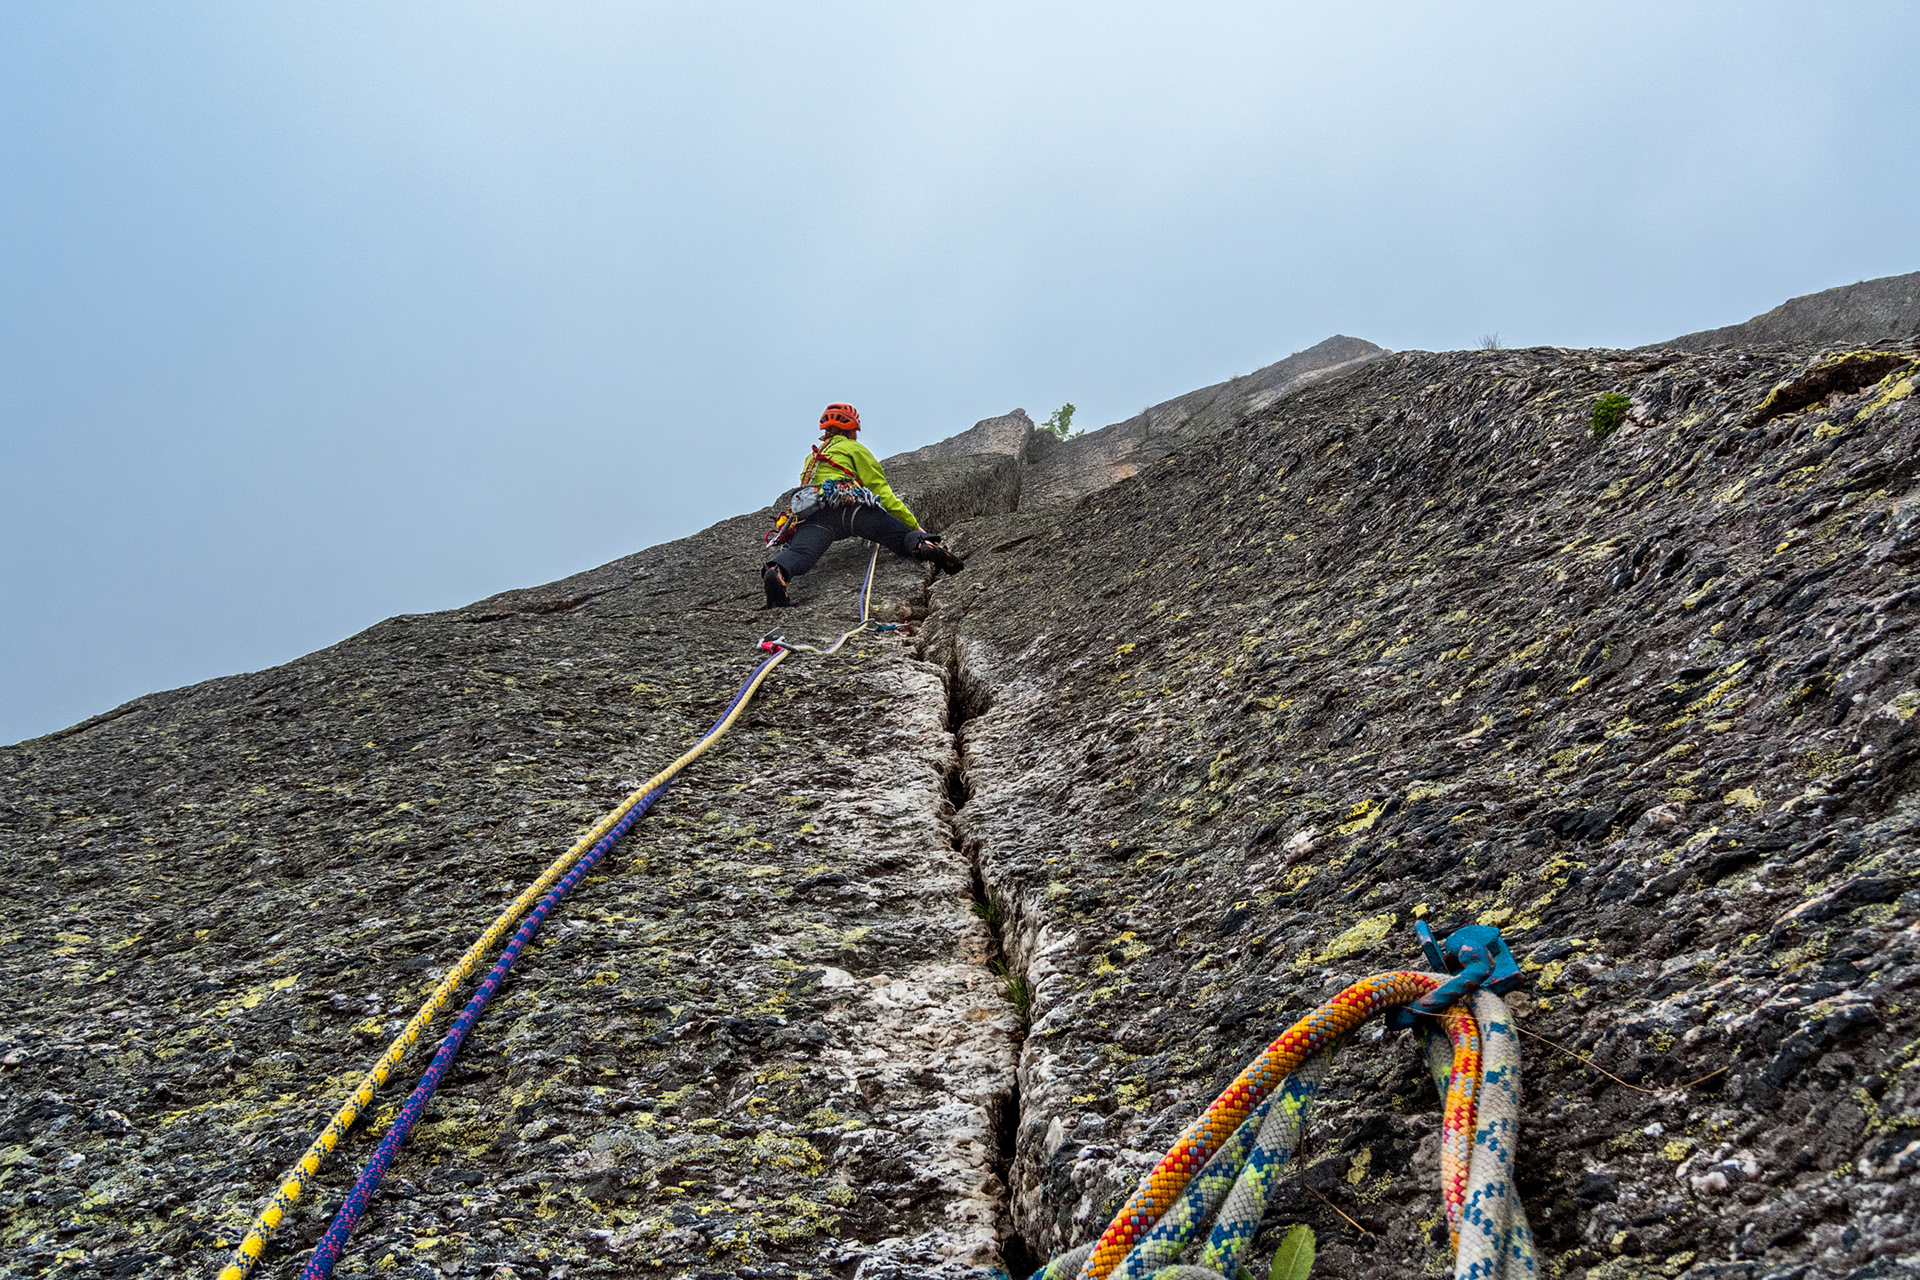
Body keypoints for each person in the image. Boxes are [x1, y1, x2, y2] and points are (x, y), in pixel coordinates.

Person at [763, 403, 964, 608]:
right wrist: (915, 527)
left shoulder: (811, 459)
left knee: (799, 553)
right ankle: (925, 545)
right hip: (853, 509)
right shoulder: (854, 448)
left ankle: (777, 572)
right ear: (852, 430)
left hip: (817, 517)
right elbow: (881, 491)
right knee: (902, 537)